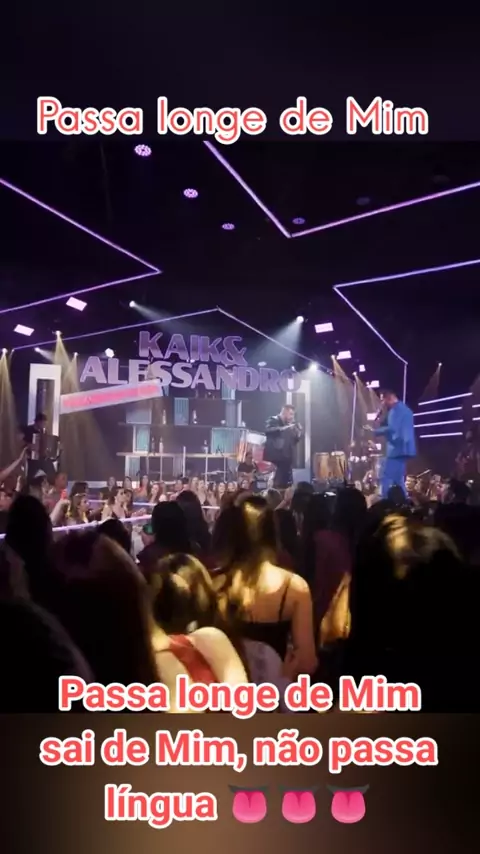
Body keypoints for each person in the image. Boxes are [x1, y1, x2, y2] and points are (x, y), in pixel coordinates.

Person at [365, 390, 416, 498]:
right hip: (404, 449)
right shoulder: (405, 409)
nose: (382, 403)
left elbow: (392, 429)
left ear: (389, 398)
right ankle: (404, 500)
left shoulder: (395, 411)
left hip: (397, 449)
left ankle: (385, 501)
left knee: (386, 476)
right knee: (398, 479)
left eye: (382, 399)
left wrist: (375, 431)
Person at [264, 404, 302, 489]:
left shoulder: (289, 425)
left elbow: (294, 441)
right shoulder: (273, 420)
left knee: (287, 485)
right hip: (276, 459)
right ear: (284, 412)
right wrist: (287, 428)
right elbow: (268, 431)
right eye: (291, 414)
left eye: (293, 415)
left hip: (287, 459)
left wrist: (298, 433)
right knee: (277, 484)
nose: (292, 417)